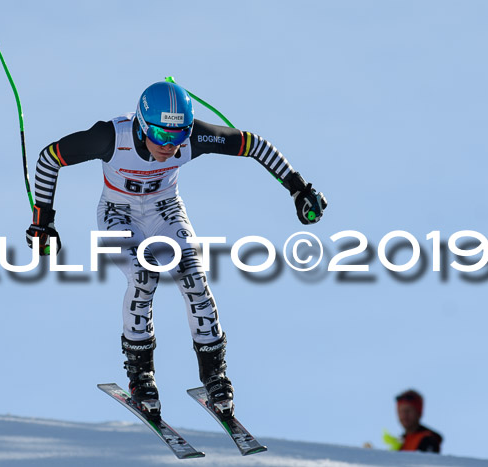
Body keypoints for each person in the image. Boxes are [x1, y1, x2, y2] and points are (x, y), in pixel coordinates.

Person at [25, 81, 328, 420]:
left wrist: (299, 189)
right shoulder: (111, 137)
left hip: (165, 211)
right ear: (141, 124)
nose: (170, 146)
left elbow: (253, 145)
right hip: (118, 214)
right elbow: (49, 158)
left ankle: (215, 375)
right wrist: (43, 221)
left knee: (194, 279)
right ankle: (142, 376)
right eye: (161, 135)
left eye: (179, 135)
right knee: (144, 277)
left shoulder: (193, 139)